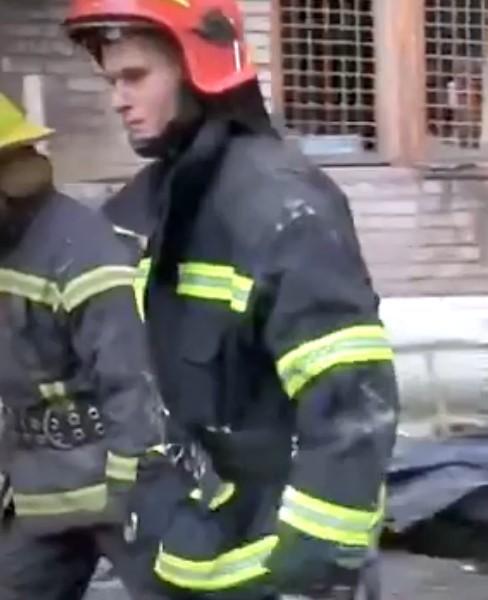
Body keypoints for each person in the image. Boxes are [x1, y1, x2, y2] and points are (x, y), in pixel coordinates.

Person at [63, 1, 400, 598]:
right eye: (112, 80)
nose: (118, 99)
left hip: (273, 557)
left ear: (202, 68)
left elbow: (349, 398)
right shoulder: (148, 205)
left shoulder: (284, 207)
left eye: (135, 77)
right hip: (185, 540)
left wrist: (314, 555)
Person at [0, 92, 165, 599]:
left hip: (117, 486)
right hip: (42, 489)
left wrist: (140, 493)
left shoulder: (86, 255)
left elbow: (131, 382)